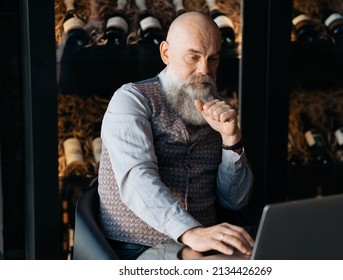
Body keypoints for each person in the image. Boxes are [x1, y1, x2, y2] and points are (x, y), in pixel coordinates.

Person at [98, 11, 254, 260]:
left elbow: (235, 201)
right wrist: (191, 232)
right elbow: (138, 179)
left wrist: (231, 139)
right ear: (166, 53)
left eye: (213, 58)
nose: (205, 69)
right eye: (194, 57)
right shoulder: (132, 100)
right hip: (137, 247)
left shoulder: (217, 109)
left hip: (204, 243)